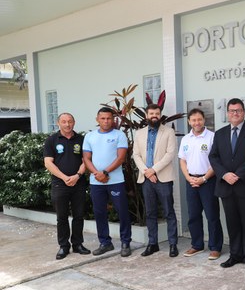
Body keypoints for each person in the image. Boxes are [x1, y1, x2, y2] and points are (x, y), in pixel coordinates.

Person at [209, 98, 245, 270]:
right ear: (227, 113)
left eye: (238, 110)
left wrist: (237, 175)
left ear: (244, 112)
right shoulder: (220, 133)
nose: (235, 113)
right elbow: (213, 157)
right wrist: (224, 174)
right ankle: (235, 254)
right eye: (232, 111)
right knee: (232, 223)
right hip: (226, 187)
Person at [83, 107, 133, 257]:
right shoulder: (90, 136)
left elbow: (120, 158)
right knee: (99, 213)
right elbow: (86, 158)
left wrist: (105, 173)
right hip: (96, 182)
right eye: (103, 118)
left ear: (113, 119)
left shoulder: (119, 135)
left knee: (122, 211)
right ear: (97, 119)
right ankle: (105, 242)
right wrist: (97, 174)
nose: (106, 121)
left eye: (109, 118)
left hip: (115, 181)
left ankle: (125, 242)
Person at [132, 104, 179, 258]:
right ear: (146, 115)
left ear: (160, 115)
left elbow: (170, 154)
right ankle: (153, 244)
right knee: (150, 213)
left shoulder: (169, 132)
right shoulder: (139, 133)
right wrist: (147, 172)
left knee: (169, 212)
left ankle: (173, 244)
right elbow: (136, 155)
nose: (154, 116)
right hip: (147, 179)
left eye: (157, 113)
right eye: (151, 113)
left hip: (163, 178)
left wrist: (154, 170)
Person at [178, 108, 224, 260]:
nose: (197, 122)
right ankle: (197, 245)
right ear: (189, 122)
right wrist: (189, 178)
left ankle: (215, 247)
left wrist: (204, 178)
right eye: (193, 120)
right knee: (193, 215)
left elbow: (216, 162)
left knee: (212, 216)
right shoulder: (186, 139)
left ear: (204, 120)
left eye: (199, 119)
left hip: (208, 181)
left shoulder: (212, 137)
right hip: (191, 181)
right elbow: (182, 160)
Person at [43, 113, 90, 260]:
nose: (67, 124)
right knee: (61, 217)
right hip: (59, 184)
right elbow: (48, 162)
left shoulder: (82, 139)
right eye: (64, 122)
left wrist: (77, 176)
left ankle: (77, 244)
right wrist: (64, 178)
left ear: (74, 123)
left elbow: (86, 160)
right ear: (58, 123)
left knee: (78, 215)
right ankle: (64, 246)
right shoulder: (52, 140)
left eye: (70, 121)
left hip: (78, 183)